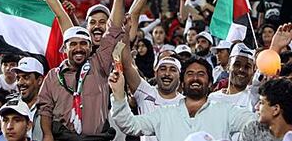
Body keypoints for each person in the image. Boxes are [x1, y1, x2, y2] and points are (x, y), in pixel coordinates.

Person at [36, 0, 128, 140]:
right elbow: (60, 14)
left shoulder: (100, 63)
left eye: (83, 44)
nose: (78, 48)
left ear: (88, 46)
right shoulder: (53, 76)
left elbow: (114, 27)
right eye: (74, 44)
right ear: (64, 48)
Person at [109, 57, 256, 141]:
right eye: (190, 74)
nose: (195, 78)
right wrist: (118, 94)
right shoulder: (164, 114)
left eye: (201, 74)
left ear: (210, 83)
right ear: (182, 83)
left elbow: (259, 125)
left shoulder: (226, 111)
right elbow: (129, 124)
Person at [11, 56, 45, 140]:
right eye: (18, 78)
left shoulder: (50, 107)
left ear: (39, 80)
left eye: (26, 77)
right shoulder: (10, 106)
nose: (20, 82)